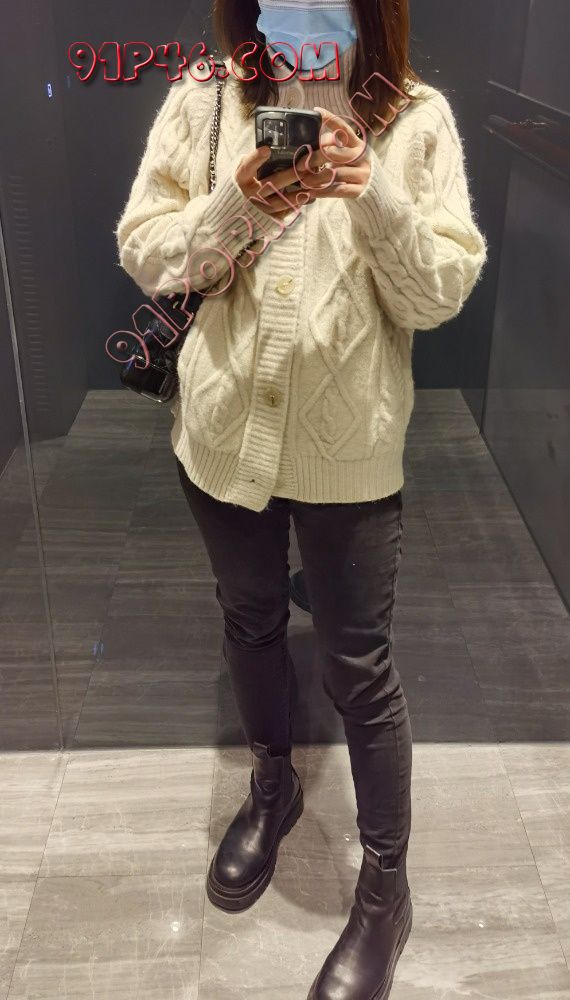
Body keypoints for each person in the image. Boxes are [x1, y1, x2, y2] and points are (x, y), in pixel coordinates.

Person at [115, 1, 487, 996]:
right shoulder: (206, 100)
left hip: (349, 450)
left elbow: (439, 293)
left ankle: (385, 888)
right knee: (249, 620)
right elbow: (147, 252)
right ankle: (272, 785)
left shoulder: (415, 117)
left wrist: (374, 195)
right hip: (221, 432)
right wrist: (234, 205)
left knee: (361, 667)